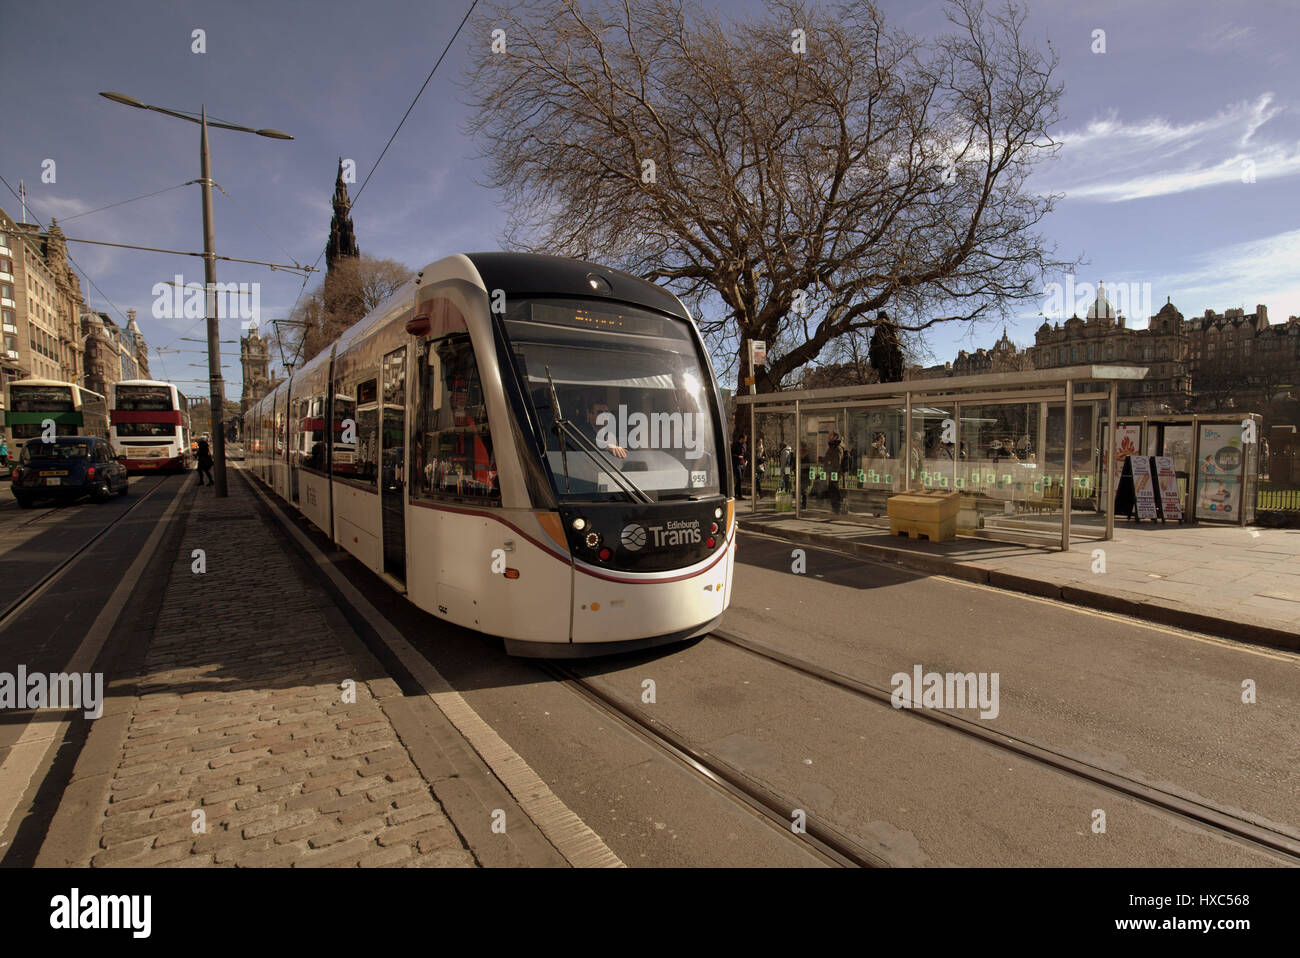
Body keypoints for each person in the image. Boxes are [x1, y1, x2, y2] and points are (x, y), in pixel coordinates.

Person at [825, 432, 845, 514]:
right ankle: (835, 507)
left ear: (835, 437)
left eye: (830, 435)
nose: (828, 437)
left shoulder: (837, 447)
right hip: (831, 471)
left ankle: (837, 508)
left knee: (834, 489)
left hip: (834, 472)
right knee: (832, 489)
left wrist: (833, 473)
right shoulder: (832, 446)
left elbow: (837, 462)